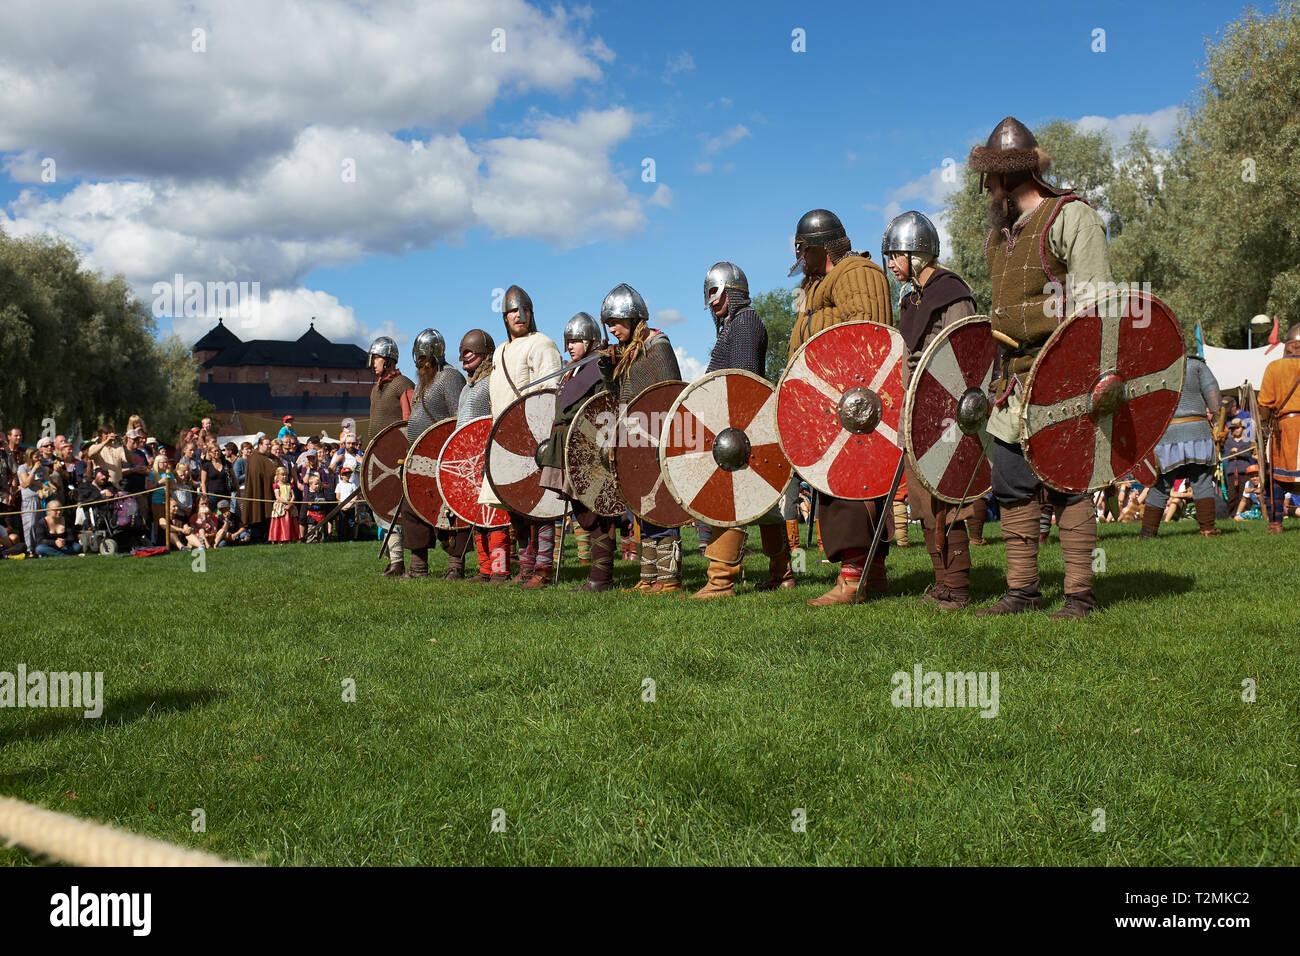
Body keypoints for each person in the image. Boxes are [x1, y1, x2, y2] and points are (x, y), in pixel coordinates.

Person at [967, 116, 1112, 619]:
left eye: (990, 179)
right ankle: (1023, 589)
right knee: (1011, 481)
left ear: (1007, 177)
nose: (986, 190)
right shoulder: (998, 238)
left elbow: (1098, 307)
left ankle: (1078, 595)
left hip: (1064, 378)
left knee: (1068, 481)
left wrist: (1102, 373)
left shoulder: (1071, 219)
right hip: (1011, 383)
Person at [784, 208, 895, 605]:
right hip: (827, 403)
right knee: (838, 483)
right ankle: (873, 574)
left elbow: (867, 338)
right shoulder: (816, 286)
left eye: (804, 249)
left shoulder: (856, 274)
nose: (800, 258)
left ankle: (854, 577)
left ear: (819, 247)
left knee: (849, 486)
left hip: (854, 404)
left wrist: (843, 393)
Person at [884, 210, 981, 609]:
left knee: (950, 500)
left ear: (917, 254)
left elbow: (967, 352)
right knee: (924, 500)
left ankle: (957, 587)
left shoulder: (950, 292)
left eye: (896, 255)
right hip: (918, 413)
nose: (890, 263)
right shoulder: (913, 300)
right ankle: (941, 583)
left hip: (948, 413)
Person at [690, 262, 795, 599]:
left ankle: (721, 580)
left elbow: (743, 381)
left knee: (728, 501)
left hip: (741, 429)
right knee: (764, 506)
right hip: (743, 427)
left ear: (732, 291)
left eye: (715, 293)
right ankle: (784, 574)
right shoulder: (734, 326)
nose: (712, 302)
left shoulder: (746, 323)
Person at [480, 286, 562, 586]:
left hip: (535, 440)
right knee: (515, 506)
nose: (518, 315)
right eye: (512, 311)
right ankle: (526, 567)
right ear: (504, 316)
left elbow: (551, 394)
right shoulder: (500, 351)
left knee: (540, 507)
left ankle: (542, 569)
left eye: (523, 309)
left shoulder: (542, 344)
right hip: (506, 440)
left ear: (531, 312)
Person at [397, 328, 466, 580]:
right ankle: (417, 568)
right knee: (413, 507)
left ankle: (455, 566)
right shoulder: (421, 383)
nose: (419, 363)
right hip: (419, 458)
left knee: (452, 512)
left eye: (423, 358)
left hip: (445, 457)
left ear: (434, 356)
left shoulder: (450, 378)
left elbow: (459, 420)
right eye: (417, 358)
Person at [455, 329, 507, 581]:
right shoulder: (467, 388)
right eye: (462, 353)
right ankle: (485, 569)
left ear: (485, 354)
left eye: (469, 352)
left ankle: (499, 570)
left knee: (495, 515)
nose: (464, 357)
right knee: (474, 516)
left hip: (489, 456)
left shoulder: (493, 382)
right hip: (467, 460)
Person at [366, 335, 415, 574]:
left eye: (377, 357)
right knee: (383, 508)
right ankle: (396, 561)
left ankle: (407, 561)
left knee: (399, 510)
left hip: (398, 457)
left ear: (389, 360)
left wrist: (408, 452)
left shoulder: (403, 384)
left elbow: (410, 422)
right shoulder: (376, 390)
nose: (373, 362)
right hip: (378, 456)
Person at [1258, 323, 1300, 532]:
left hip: (1286, 428)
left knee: (1277, 477)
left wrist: (1265, 426)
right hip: (1288, 427)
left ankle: (1275, 523)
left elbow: (1265, 404)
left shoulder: (1275, 367)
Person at [241, 433, 279, 540]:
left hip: (270, 490)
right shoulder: (255, 458)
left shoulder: (270, 457)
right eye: (267, 444)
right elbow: (256, 475)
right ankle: (258, 536)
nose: (269, 446)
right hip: (259, 491)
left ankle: (269, 536)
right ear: (260, 445)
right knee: (258, 512)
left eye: (270, 444)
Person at [17, 447, 53, 555]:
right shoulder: (22, 468)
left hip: (42, 499)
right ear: (29, 457)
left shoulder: (43, 469)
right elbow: (26, 483)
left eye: (40, 456)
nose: (39, 459)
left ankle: (40, 548)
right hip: (29, 500)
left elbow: (48, 484)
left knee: (41, 524)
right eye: (36, 457)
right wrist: (33, 471)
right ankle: (30, 549)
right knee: (31, 525)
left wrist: (41, 484)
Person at [1220, 418, 1254, 515]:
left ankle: (1244, 513)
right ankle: (1232, 514)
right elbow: (1227, 453)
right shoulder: (1228, 442)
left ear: (1242, 428)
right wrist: (1234, 452)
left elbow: (1248, 454)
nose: (1236, 430)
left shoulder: (1247, 441)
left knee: (1244, 492)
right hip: (1232, 470)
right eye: (1234, 428)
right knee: (1232, 493)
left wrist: (1237, 451)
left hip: (1244, 470)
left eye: (1238, 428)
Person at [200, 440, 236, 510]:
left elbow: (234, 478)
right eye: (215, 451)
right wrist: (205, 496)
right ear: (210, 453)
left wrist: (237, 491)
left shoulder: (227, 463)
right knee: (212, 515)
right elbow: (203, 482)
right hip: (212, 495)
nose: (217, 453)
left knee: (225, 516)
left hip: (225, 494)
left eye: (218, 451)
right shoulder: (206, 465)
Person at [268, 466, 299, 543]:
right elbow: (278, 497)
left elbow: (293, 496)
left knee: (289, 522)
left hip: (289, 506)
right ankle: (279, 539)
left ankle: (289, 538)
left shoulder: (289, 485)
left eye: (286, 475)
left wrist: (290, 503)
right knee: (280, 522)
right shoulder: (276, 485)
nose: (285, 477)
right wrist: (286, 502)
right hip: (281, 506)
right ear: (278, 476)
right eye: (283, 475)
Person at [334, 465, 360, 542]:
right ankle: (342, 538)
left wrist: (350, 505)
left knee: (351, 523)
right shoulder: (339, 485)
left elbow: (355, 496)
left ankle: (351, 538)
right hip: (342, 508)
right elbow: (338, 497)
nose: (347, 476)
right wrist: (342, 506)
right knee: (342, 523)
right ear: (341, 475)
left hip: (351, 507)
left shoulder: (352, 485)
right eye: (345, 474)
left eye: (349, 474)